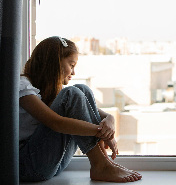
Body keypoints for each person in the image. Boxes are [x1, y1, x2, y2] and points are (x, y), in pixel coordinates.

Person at [19, 36, 142, 182]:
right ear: (55, 63)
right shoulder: (23, 86)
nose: (73, 72)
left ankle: (104, 163)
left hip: (52, 164)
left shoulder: (49, 90)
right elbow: (56, 123)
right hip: (28, 166)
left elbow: (93, 113)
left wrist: (110, 119)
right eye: (71, 65)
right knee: (72, 93)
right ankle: (101, 166)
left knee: (81, 89)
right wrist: (102, 133)